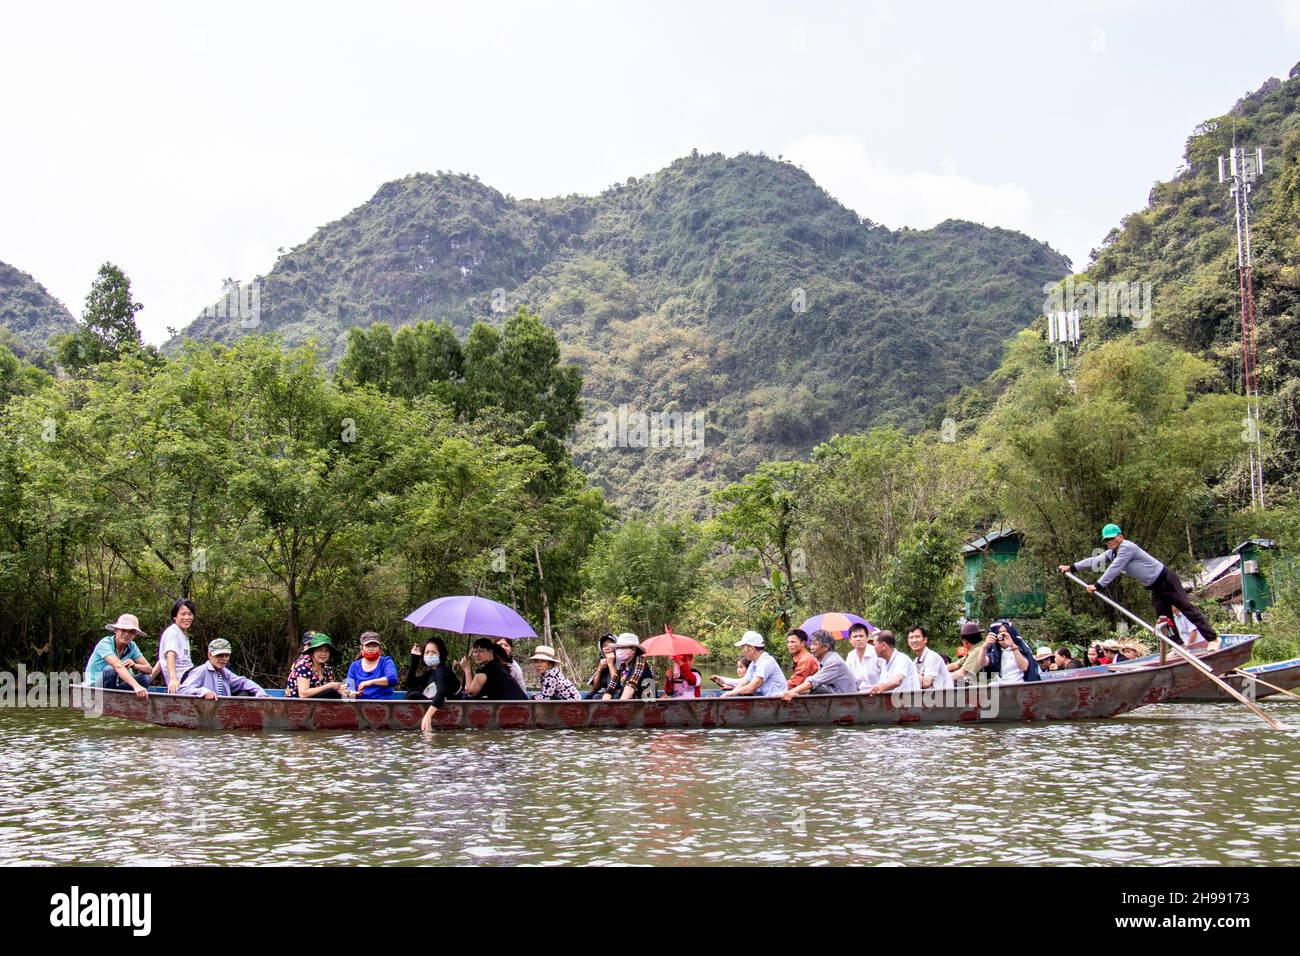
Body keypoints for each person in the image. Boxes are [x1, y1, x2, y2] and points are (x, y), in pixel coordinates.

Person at [1059, 523, 1218, 644]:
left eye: (1112, 538)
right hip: (1155, 587)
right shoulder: (1112, 552)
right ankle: (1179, 646)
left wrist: (1098, 585)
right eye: (1107, 540)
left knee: (1186, 608)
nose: (1110, 542)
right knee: (1164, 620)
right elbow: (1095, 560)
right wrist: (1071, 567)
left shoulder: (1127, 548)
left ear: (1120, 536)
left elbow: (1115, 568)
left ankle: (1212, 639)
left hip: (1166, 580)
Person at [85, 613, 153, 698]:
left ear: (134, 635)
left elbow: (150, 669)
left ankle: (119, 702)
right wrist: (137, 686)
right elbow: (118, 667)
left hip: (113, 686)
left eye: (131, 632)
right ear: (116, 630)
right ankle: (108, 701)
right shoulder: (105, 643)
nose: (127, 634)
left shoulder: (132, 646)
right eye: (124, 630)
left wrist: (135, 665)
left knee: (145, 678)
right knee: (110, 670)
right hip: (94, 687)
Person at [178, 638, 267, 698]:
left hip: (222, 712)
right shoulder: (202, 670)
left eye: (226, 655)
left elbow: (243, 682)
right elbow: (182, 690)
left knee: (246, 692)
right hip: (205, 712)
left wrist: (260, 692)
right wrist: (203, 692)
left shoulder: (224, 671)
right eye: (219, 655)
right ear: (210, 655)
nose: (223, 659)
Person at [782, 630, 857, 698]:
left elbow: (813, 682)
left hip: (845, 699)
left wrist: (793, 691)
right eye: (811, 644)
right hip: (835, 695)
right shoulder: (821, 660)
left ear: (825, 647)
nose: (811, 647)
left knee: (817, 689)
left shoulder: (833, 662)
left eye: (815, 644)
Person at [721, 631, 786, 697]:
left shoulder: (766, 662)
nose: (742, 651)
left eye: (743, 647)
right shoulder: (753, 663)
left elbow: (751, 688)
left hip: (778, 701)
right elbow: (744, 681)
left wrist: (730, 693)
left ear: (751, 648)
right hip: (769, 700)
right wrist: (733, 692)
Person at [462, 637, 529, 700]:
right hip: (521, 706)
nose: (477, 655)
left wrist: (467, 669)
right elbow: (475, 687)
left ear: (490, 652)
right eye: (475, 651)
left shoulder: (488, 670)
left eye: (481, 651)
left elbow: (471, 692)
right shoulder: (496, 666)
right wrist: (468, 668)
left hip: (513, 708)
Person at [977, 619, 1041, 684]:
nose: (1002, 635)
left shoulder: (1019, 647)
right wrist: (984, 647)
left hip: (1020, 685)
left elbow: (1024, 667)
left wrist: (1012, 646)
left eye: (1005, 632)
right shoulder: (995, 651)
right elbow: (982, 663)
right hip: (1002, 687)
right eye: (999, 632)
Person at [154, 598, 196, 693]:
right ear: (175, 616)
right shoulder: (173, 632)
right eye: (183, 614)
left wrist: (150, 678)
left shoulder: (183, 634)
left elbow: (162, 661)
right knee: (209, 668)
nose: (187, 617)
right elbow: (170, 656)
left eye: (190, 614)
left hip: (189, 674)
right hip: (182, 677)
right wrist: (173, 679)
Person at [286, 633, 344, 699]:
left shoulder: (327, 668)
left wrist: (342, 690)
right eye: (319, 650)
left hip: (318, 705)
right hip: (298, 705)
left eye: (326, 651)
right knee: (331, 691)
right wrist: (328, 686)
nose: (323, 654)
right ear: (312, 652)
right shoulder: (304, 667)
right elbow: (303, 694)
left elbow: (330, 689)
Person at [405, 636, 461, 702]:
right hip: (436, 703)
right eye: (427, 652)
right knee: (412, 691)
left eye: (434, 652)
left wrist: (428, 712)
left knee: (414, 695)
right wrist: (415, 659)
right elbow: (410, 684)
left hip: (448, 707)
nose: (430, 655)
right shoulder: (431, 671)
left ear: (441, 654)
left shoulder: (442, 671)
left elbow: (440, 694)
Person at [601, 633, 656, 700]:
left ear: (633, 649)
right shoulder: (622, 666)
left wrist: (620, 706)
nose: (619, 650)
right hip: (633, 704)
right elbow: (610, 688)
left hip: (648, 703)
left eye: (622, 648)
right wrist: (605, 705)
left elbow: (630, 686)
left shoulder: (640, 661)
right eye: (618, 648)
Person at [345, 632, 399, 700]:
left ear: (379, 648)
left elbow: (392, 679)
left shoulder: (386, 662)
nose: (371, 649)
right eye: (367, 646)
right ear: (361, 648)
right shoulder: (354, 666)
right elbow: (349, 687)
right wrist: (351, 693)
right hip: (360, 705)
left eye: (374, 646)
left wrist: (369, 682)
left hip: (383, 705)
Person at [867, 630, 920, 694]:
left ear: (883, 646)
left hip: (909, 702)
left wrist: (880, 688)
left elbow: (896, 681)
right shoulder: (884, 662)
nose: (873, 648)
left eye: (874, 645)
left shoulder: (901, 659)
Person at [908, 626, 953, 691]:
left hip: (945, 698)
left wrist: (908, 670)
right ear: (908, 642)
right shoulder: (915, 662)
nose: (914, 640)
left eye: (917, 637)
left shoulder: (932, 657)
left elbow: (926, 683)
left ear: (925, 640)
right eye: (911, 638)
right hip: (931, 698)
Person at [844, 622, 879, 692]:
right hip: (858, 695)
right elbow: (848, 678)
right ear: (850, 640)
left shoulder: (876, 653)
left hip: (878, 693)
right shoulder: (850, 655)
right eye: (855, 636)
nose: (858, 639)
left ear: (867, 638)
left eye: (861, 636)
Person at [587, 633, 617, 698]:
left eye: (610, 645)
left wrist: (610, 664)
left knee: (596, 697)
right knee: (587, 695)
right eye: (604, 646)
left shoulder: (621, 661)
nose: (607, 648)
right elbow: (595, 688)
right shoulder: (603, 662)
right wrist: (600, 669)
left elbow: (617, 685)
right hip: (606, 694)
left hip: (617, 694)